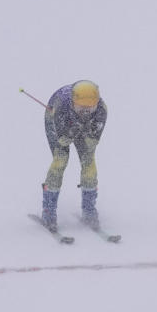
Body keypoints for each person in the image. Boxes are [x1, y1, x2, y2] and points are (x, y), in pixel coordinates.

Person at [40, 80, 107, 232]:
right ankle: (48, 212)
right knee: (60, 160)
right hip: (54, 117)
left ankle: (89, 210)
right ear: (73, 103)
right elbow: (62, 141)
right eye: (82, 108)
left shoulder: (102, 110)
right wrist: (72, 131)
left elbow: (92, 143)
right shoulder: (62, 108)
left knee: (88, 161)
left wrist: (86, 131)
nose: (86, 112)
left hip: (75, 127)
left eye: (90, 108)